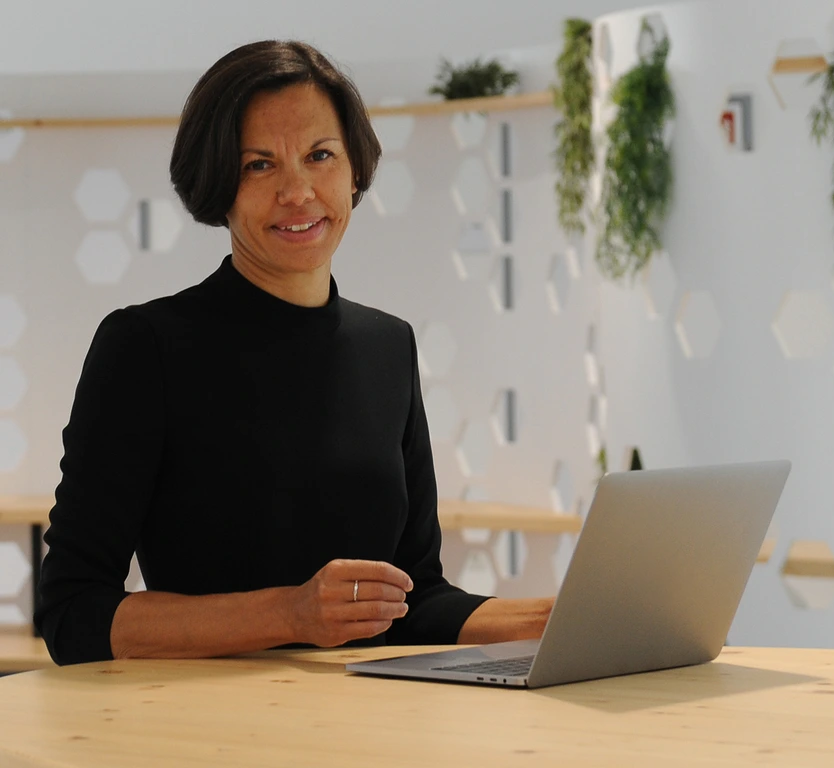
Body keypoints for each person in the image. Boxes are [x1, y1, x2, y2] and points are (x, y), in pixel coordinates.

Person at [34, 40, 553, 666]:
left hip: (372, 716)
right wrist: (291, 613)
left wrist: (558, 616)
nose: (299, 191)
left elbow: (414, 599)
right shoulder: (145, 347)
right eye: (259, 165)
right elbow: (73, 614)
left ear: (354, 171)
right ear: (218, 184)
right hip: (201, 719)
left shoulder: (389, 347)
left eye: (320, 155)